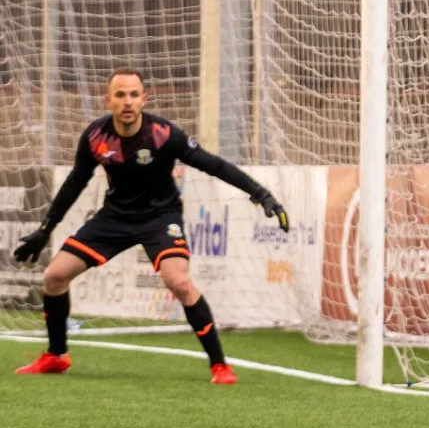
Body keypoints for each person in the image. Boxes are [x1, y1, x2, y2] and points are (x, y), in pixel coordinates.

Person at [12, 68, 289, 385]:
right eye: (120, 95)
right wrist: (46, 229)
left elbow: (214, 164)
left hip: (160, 217)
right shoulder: (95, 136)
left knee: (180, 283)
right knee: (55, 276)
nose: (127, 102)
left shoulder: (163, 134)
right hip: (114, 217)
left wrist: (261, 193)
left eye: (133, 94)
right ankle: (56, 356)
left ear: (144, 98)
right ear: (108, 100)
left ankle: (220, 366)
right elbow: (75, 182)